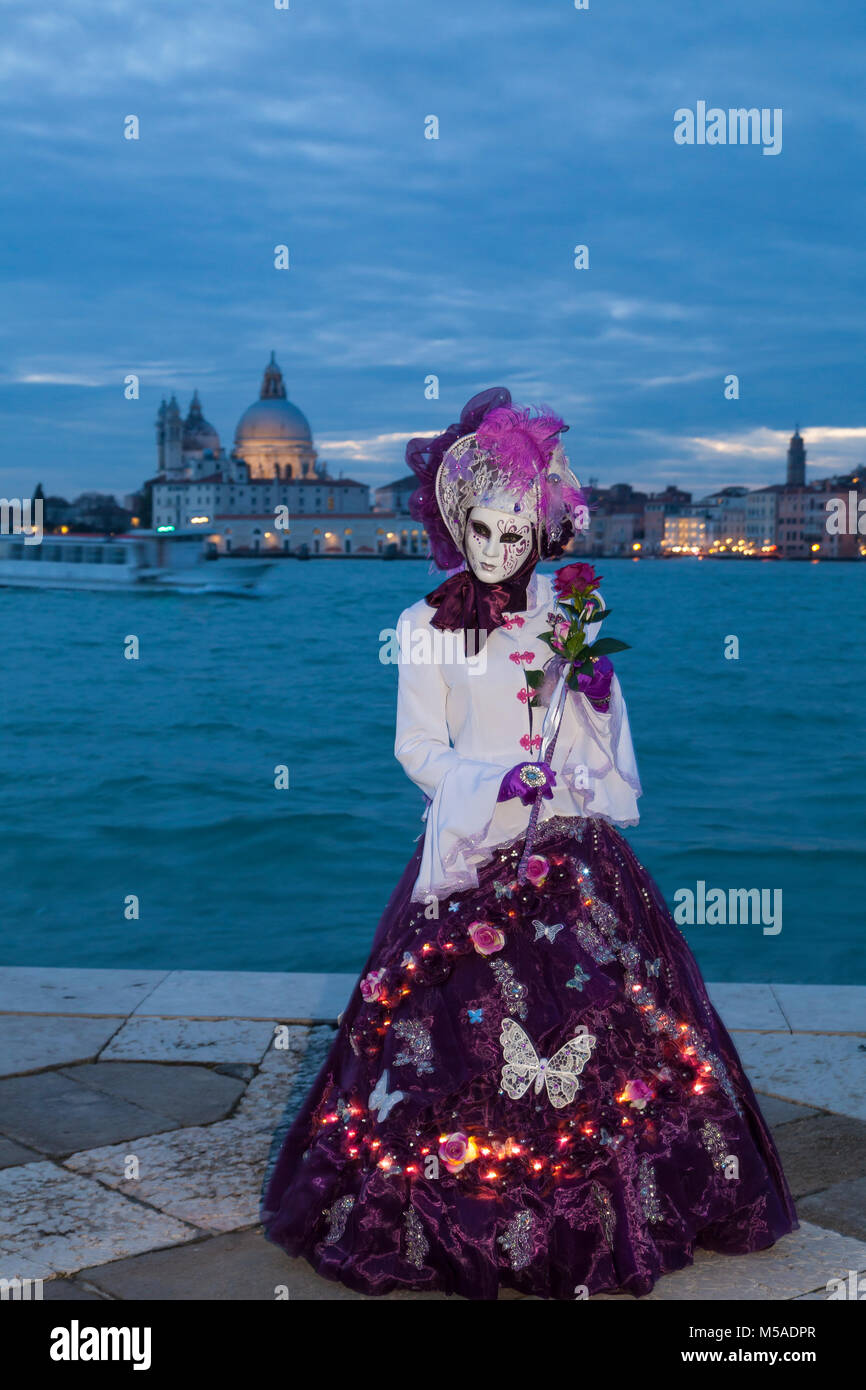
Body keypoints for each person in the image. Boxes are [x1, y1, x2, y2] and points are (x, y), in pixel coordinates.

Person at [261, 388, 797, 1299]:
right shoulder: (422, 628)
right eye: (485, 531)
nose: (501, 552)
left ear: (540, 534)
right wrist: (491, 783)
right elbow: (417, 749)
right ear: (455, 523)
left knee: (610, 1029)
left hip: (572, 848)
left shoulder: (565, 614)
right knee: (452, 1035)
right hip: (472, 847)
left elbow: (594, 740)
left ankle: (608, 1209)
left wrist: (591, 694)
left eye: (519, 536)